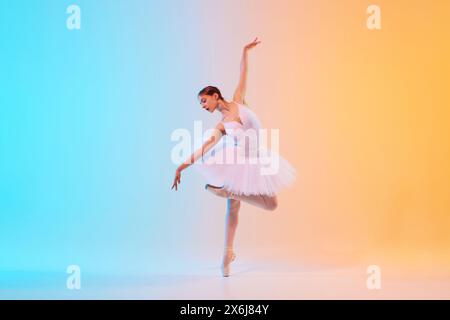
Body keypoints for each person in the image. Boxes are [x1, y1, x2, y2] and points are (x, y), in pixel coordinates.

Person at [171, 37, 296, 277]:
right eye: (200, 104)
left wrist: (245, 51)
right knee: (234, 209)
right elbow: (206, 146)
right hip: (238, 161)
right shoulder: (222, 126)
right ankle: (227, 254)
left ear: (216, 95)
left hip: (257, 157)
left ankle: (230, 194)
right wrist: (182, 166)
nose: (203, 106)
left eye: (204, 100)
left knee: (271, 205)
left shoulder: (239, 100)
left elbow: (243, 72)